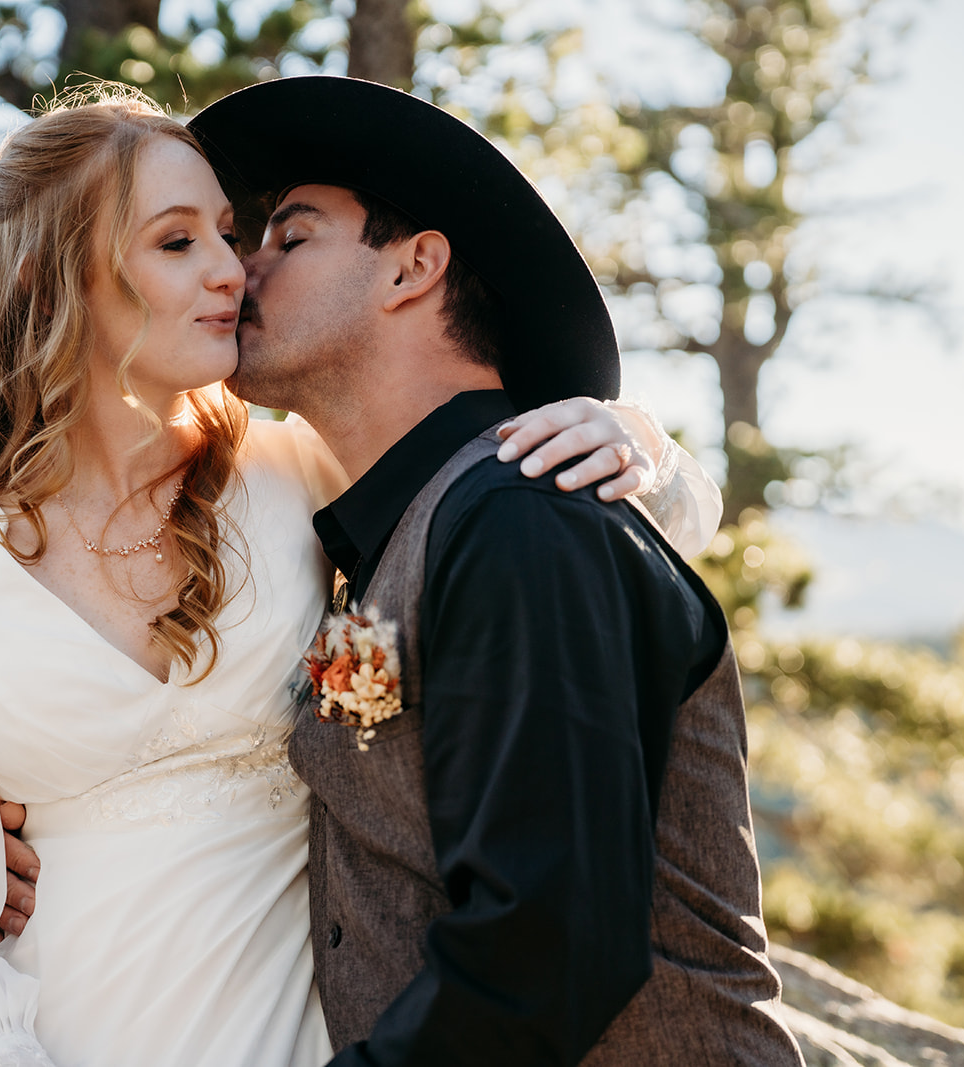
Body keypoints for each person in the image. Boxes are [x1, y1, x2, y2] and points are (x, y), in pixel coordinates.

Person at [0, 85, 719, 1066]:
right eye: (177, 242)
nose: (233, 270)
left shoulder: (298, 481)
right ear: (49, 281)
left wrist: (635, 438)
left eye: (232, 233)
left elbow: (562, 545)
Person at [177, 75, 805, 1064]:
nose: (237, 272)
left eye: (288, 238)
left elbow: (543, 949)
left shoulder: (522, 520)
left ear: (413, 268)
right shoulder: (383, 549)